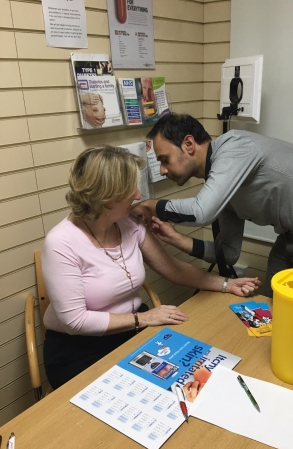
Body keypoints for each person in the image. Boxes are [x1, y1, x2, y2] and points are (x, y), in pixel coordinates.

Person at [42, 145, 260, 390]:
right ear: (106, 196)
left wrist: (226, 284)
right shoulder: (61, 242)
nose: (137, 195)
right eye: (129, 189)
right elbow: (75, 321)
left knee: (187, 385)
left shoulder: (127, 223)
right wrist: (144, 317)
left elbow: (173, 269)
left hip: (132, 333)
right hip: (78, 350)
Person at [131, 113, 293, 297]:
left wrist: (151, 205)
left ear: (189, 144)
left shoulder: (235, 148)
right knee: (272, 309)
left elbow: (201, 212)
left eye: (165, 160)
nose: (162, 170)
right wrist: (174, 238)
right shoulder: (222, 186)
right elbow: (229, 254)